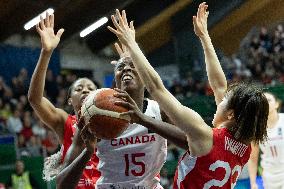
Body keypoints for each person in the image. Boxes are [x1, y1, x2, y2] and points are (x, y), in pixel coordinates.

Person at [108, 3, 269, 188]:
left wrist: (132, 44)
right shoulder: (244, 146)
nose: (219, 98)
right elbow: (219, 85)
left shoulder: (204, 136)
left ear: (231, 114)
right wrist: (205, 38)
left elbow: (156, 88)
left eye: (224, 100)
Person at [56, 11, 188, 189]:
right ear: (115, 81)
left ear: (144, 75)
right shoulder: (92, 117)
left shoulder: (159, 110)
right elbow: (62, 185)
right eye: (121, 67)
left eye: (133, 65)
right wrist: (88, 152)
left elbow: (193, 143)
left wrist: (143, 120)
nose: (126, 68)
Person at [27, 12, 98, 180]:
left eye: (90, 88)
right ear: (69, 100)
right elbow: (35, 99)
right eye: (79, 88)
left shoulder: (111, 122)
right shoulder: (64, 122)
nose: (85, 90)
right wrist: (46, 53)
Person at [248, 92, 284, 189]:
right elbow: (253, 158)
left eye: (268, 100)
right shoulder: (256, 129)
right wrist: (253, 183)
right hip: (269, 176)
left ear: (277, 104)